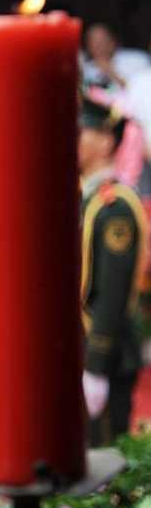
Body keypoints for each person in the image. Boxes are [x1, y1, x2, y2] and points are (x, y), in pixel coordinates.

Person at [79, 96, 147, 445]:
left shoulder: (114, 205)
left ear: (106, 141)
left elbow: (111, 293)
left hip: (107, 354)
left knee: (102, 461)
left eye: (82, 132)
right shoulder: (85, 197)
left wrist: (96, 364)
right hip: (79, 348)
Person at [83, 23, 151, 90]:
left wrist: (111, 72)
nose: (99, 46)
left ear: (113, 41)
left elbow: (143, 91)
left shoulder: (138, 59)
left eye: (102, 41)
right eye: (94, 42)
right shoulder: (85, 69)